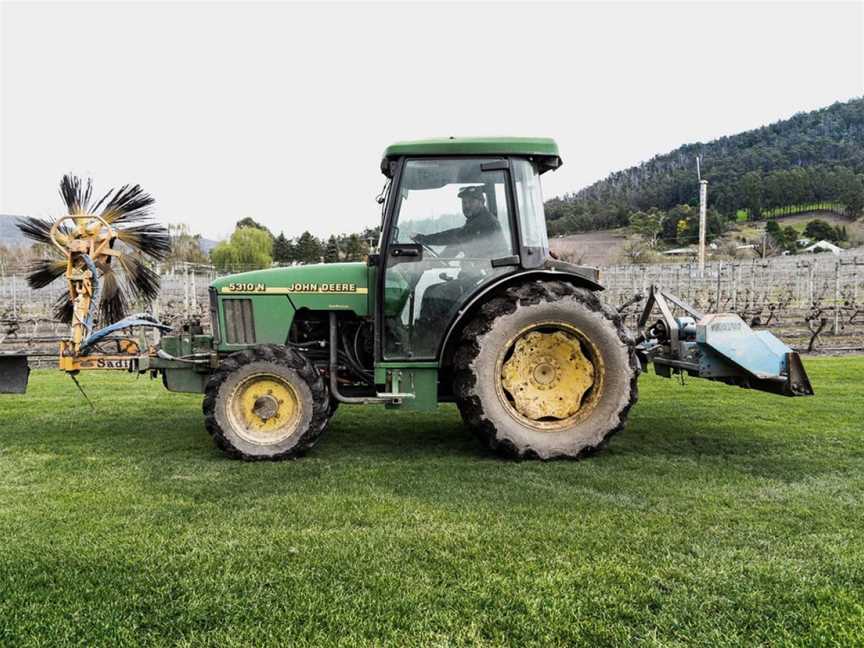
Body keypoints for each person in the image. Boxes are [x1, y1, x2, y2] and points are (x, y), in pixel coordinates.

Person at [412, 186, 505, 257]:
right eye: (464, 202)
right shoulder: (474, 223)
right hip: (483, 272)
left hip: (494, 274)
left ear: (481, 202)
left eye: (471, 202)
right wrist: (441, 259)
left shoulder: (485, 221)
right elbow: (458, 243)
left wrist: (423, 239)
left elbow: (455, 236)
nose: (467, 206)